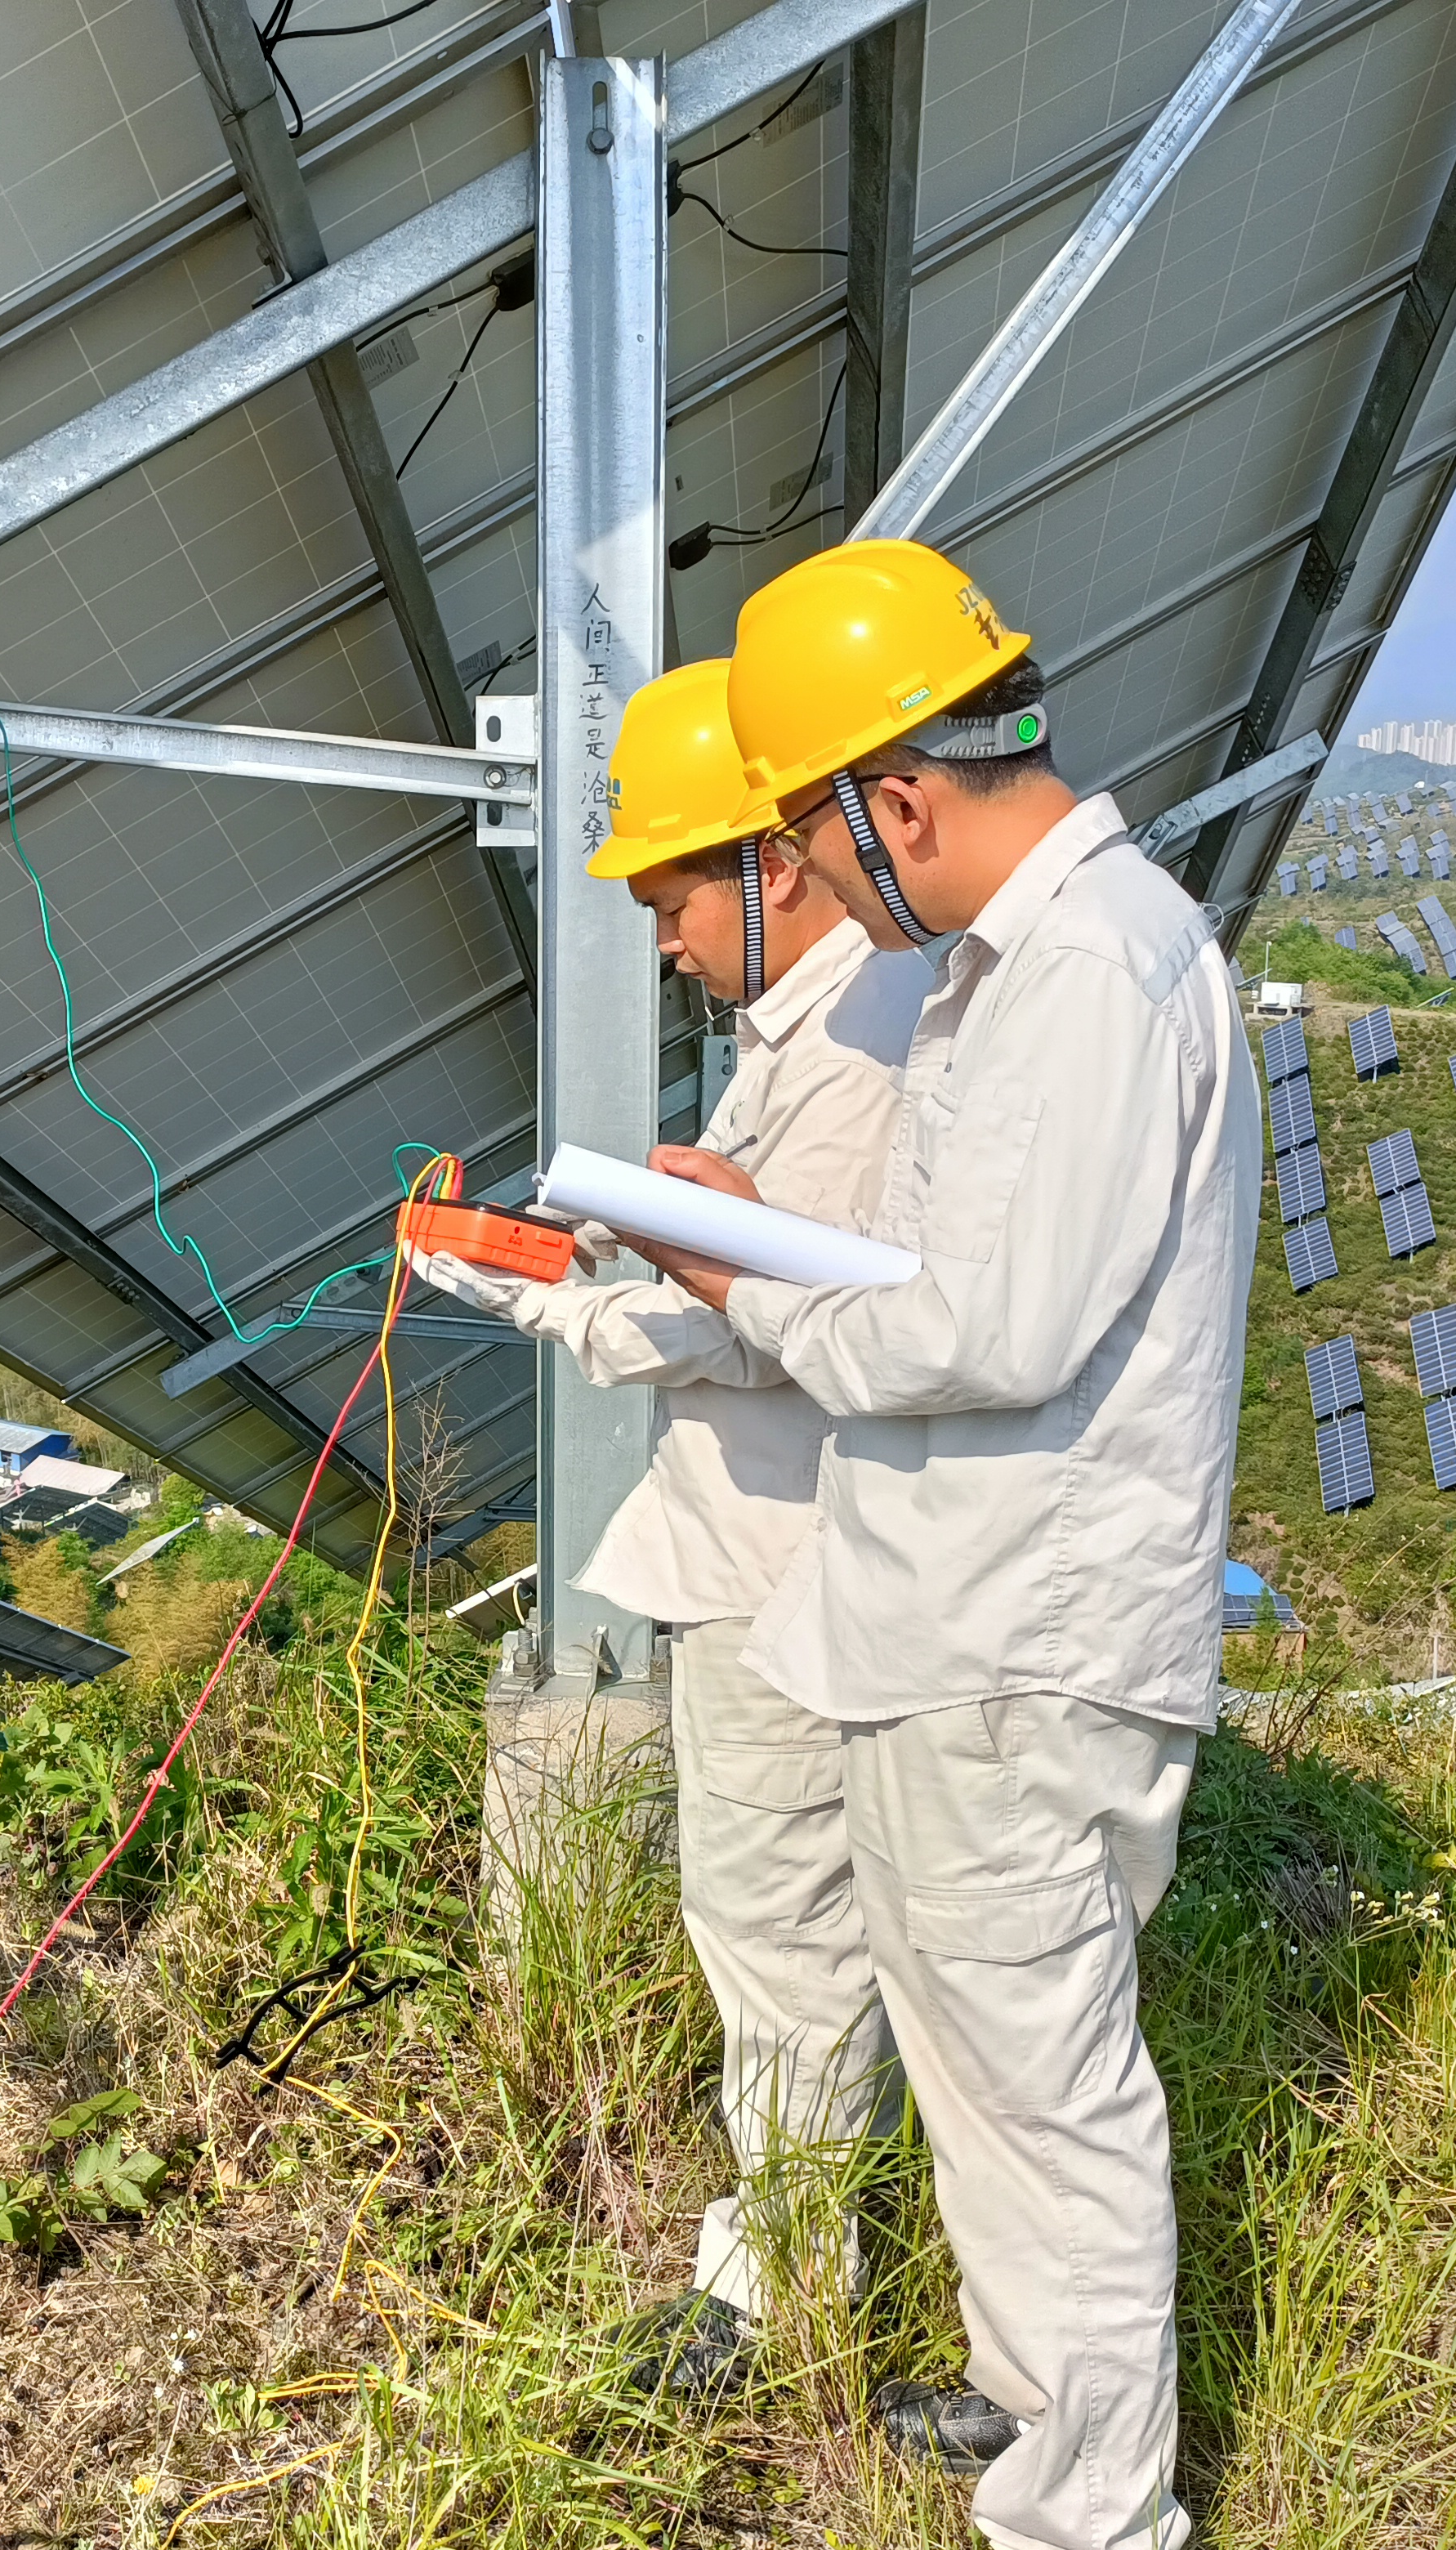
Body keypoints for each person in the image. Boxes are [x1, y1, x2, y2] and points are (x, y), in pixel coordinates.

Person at [623, 540, 1257, 2550]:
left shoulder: (1096, 972)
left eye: (807, 839)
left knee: (1045, 2097)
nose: (806, 883)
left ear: (894, 799)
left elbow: (978, 1328)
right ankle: (1021, 2388)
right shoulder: (1016, 970)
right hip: (947, 1619)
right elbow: (933, 1274)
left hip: (1020, 1636)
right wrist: (753, 1234)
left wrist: (728, 1268)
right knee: (984, 2074)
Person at [412, 658, 930, 2396]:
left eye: (670, 900)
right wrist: (581, 1261)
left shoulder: (856, 1049)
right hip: (768, 1548)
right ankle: (803, 2257)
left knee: (779, 1925)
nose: (660, 944)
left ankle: (773, 2304)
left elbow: (780, 1322)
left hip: (791, 1564)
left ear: (772, 864)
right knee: (777, 1922)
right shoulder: (813, 1031)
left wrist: (559, 1303)